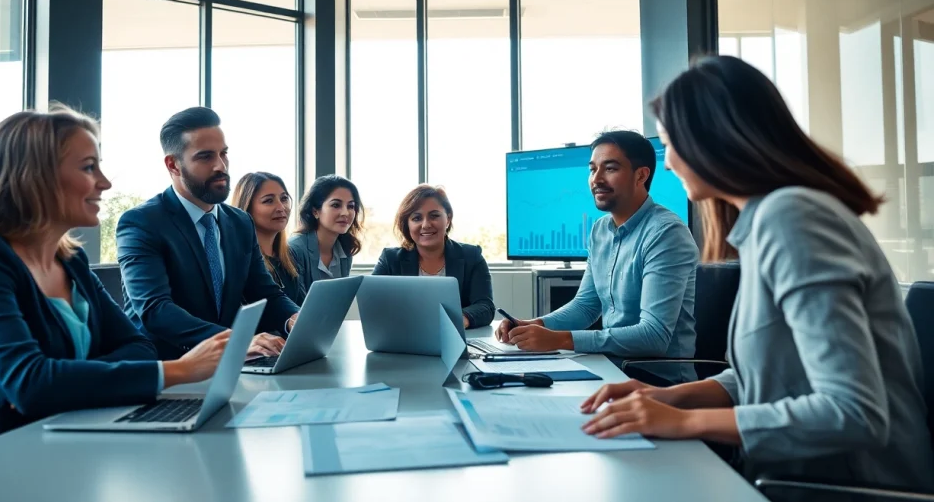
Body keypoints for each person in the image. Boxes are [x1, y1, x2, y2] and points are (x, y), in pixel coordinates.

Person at [580, 55, 934, 495]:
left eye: (672, 143)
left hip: (845, 486)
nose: (668, 163)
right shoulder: (771, 220)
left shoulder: (794, 219)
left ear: (711, 139)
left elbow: (853, 411)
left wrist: (686, 422)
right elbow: (777, 376)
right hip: (794, 475)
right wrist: (670, 397)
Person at [0, 109, 230, 451]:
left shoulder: (71, 260)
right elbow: (32, 383)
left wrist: (58, 381)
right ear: (34, 176)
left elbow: (139, 346)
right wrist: (180, 370)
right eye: (89, 167)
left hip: (51, 433)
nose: (105, 182)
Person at [495, 130, 699, 385]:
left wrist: (560, 339)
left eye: (610, 169)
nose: (596, 179)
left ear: (641, 175)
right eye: (593, 169)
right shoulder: (600, 230)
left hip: (656, 380)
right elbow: (586, 305)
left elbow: (654, 336)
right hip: (608, 366)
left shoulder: (666, 233)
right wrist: (533, 325)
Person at [116, 107, 296, 361]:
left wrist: (294, 319)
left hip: (228, 367)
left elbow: (264, 292)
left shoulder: (240, 222)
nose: (220, 166)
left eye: (223, 154)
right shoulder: (142, 223)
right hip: (165, 369)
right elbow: (155, 310)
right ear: (173, 165)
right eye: (205, 157)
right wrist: (237, 340)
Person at [372, 185, 495, 329]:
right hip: (405, 338)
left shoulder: (471, 256)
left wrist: (458, 320)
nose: (426, 225)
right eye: (416, 218)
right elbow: (373, 303)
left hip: (455, 340)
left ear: (448, 219)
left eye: (434, 215)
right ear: (407, 224)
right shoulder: (390, 259)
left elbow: (485, 307)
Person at [232, 172, 306, 307]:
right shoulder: (241, 258)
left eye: (284, 199)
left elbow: (301, 308)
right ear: (246, 208)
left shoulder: (290, 255)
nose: (281, 208)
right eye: (268, 201)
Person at [288, 175, 364, 290]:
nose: (345, 213)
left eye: (351, 206)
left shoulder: (345, 249)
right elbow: (297, 302)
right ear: (315, 211)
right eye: (336, 205)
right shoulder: (295, 249)